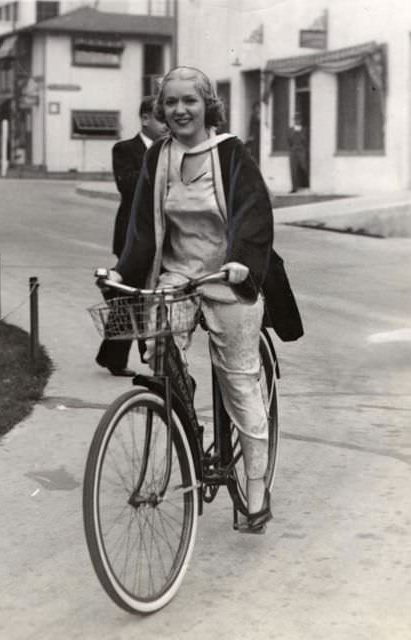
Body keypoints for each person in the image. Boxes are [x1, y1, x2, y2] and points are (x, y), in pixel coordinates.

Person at [107, 66, 303, 531]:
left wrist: (241, 261)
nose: (179, 110)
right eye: (170, 102)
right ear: (161, 110)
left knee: (239, 384)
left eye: (189, 101)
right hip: (177, 278)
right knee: (161, 359)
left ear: (207, 105)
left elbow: (253, 215)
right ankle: (185, 426)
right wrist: (123, 271)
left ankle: (256, 487)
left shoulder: (231, 153)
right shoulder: (159, 156)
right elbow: (142, 228)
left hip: (227, 276)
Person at [95, 96, 167, 376]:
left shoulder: (171, 150)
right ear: (145, 118)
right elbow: (128, 186)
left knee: (141, 297)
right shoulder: (125, 149)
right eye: (161, 119)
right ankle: (139, 359)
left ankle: (114, 356)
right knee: (133, 297)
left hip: (161, 235)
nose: (166, 125)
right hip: (132, 236)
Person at [287, 113, 308, 193]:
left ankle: (306, 184)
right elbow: (289, 140)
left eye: (298, 119)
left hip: (301, 151)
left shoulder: (304, 129)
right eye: (296, 119)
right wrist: (292, 149)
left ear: (301, 120)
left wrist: (304, 149)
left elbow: (305, 140)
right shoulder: (290, 130)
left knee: (304, 167)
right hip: (293, 151)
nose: (297, 121)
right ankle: (294, 187)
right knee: (293, 169)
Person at [245, 101, 260, 165]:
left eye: (258, 107)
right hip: (255, 137)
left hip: (258, 137)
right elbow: (251, 127)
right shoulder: (253, 116)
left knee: (257, 151)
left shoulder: (258, 115)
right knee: (254, 151)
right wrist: (251, 135)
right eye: (257, 107)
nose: (258, 109)